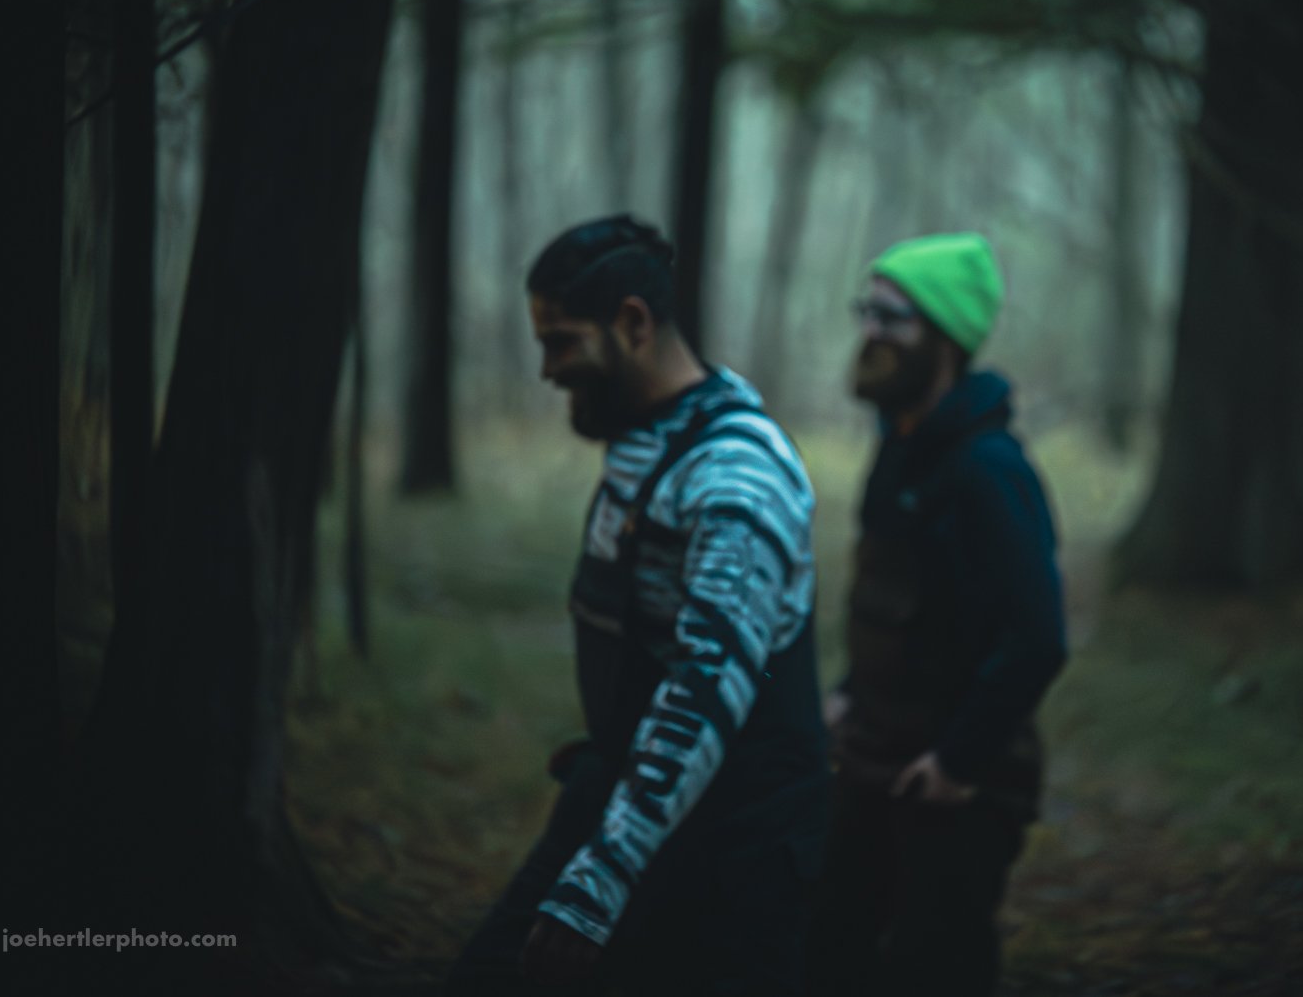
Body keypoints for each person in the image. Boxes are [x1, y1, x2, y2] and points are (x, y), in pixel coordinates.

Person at [446, 215, 829, 996]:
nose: (548, 371)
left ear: (632, 324)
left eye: (562, 343)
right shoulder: (648, 438)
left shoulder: (738, 476)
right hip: (630, 801)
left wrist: (601, 878)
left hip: (737, 851)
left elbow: (704, 686)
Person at [808, 232, 1068, 997]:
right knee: (829, 948)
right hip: (873, 756)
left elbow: (1038, 638)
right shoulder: (899, 449)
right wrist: (849, 691)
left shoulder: (990, 470)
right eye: (866, 311)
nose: (870, 331)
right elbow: (892, 604)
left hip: (955, 785)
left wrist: (959, 762)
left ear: (946, 339)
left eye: (893, 318)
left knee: (934, 966)